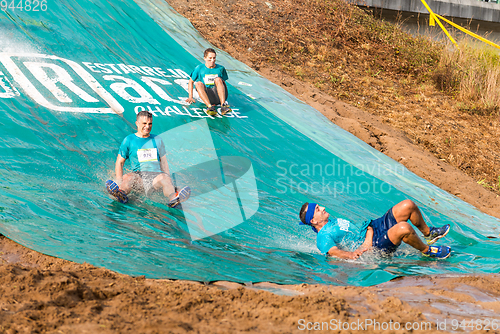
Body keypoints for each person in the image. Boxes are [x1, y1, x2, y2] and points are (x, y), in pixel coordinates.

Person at [299, 200, 451, 259]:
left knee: (408, 205)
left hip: (373, 229)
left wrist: (369, 231)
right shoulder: (323, 236)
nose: (323, 207)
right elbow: (333, 252)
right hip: (374, 245)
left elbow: (360, 229)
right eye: (318, 209)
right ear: (313, 220)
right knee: (404, 228)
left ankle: (428, 234)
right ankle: (428, 251)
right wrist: (353, 254)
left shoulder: (331, 221)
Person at [105, 111, 190, 208]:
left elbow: (164, 162)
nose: (147, 126)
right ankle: (120, 193)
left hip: (155, 178)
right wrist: (119, 181)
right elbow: (119, 162)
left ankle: (173, 199)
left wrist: (169, 180)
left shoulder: (157, 139)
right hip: (139, 178)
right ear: (137, 123)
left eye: (150, 124)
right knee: (128, 177)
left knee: (165, 178)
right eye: (144, 123)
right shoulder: (129, 140)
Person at [185, 48, 232, 116]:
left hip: (218, 96)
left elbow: (223, 83)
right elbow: (191, 82)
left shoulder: (220, 68)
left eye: (214, 58)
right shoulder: (199, 68)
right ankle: (210, 107)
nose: (212, 60)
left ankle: (223, 106)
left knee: (218, 79)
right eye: (210, 58)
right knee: (198, 84)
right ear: (205, 58)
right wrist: (190, 97)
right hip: (208, 96)